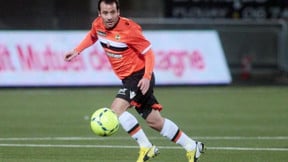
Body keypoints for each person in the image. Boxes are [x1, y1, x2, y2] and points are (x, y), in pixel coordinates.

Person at [64, 0, 204, 161]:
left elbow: (149, 53)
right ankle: (192, 146)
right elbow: (92, 36)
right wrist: (77, 50)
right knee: (155, 121)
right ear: (99, 14)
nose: (109, 17)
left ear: (118, 12)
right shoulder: (98, 24)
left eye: (112, 12)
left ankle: (146, 147)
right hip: (128, 80)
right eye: (105, 13)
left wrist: (146, 77)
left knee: (116, 110)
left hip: (139, 77)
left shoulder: (129, 29)